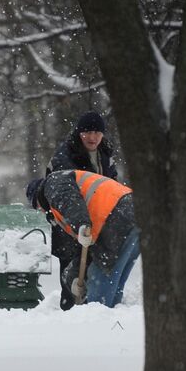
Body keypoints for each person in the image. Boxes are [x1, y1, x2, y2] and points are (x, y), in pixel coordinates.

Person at [26, 169, 140, 308]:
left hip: (117, 217)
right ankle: (113, 322)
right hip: (135, 211)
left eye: (38, 207)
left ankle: (99, 324)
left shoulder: (53, 182)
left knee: (100, 288)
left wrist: (82, 224)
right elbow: (84, 247)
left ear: (37, 198)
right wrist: (75, 276)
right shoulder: (64, 194)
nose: (42, 211)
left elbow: (70, 202)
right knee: (115, 283)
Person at [46, 111, 119, 309]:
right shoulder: (65, 156)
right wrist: (79, 221)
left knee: (91, 269)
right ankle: (70, 311)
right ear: (79, 134)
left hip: (98, 221)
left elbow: (112, 185)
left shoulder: (105, 154)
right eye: (87, 132)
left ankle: (91, 310)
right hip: (67, 224)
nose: (92, 137)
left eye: (97, 132)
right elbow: (64, 193)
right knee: (71, 272)